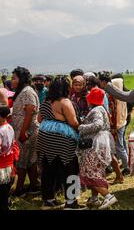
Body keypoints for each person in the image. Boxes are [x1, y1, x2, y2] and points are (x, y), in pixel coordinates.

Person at [36, 76, 83, 210]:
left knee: (48, 170)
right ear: (65, 88)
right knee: (71, 169)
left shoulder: (45, 101)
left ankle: (48, 200)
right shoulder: (65, 102)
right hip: (63, 141)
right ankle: (71, 202)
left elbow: (40, 119)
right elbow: (73, 123)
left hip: (45, 139)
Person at [78, 87, 118, 210]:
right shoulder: (101, 109)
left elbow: (98, 124)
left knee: (89, 171)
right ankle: (94, 198)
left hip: (94, 144)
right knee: (96, 170)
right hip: (101, 141)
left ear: (92, 100)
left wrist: (81, 127)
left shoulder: (95, 110)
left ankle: (108, 196)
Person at [10, 67, 41, 197]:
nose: (12, 81)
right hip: (24, 131)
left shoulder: (27, 92)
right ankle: (34, 186)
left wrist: (23, 132)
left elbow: (30, 111)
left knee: (22, 161)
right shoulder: (23, 91)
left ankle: (19, 189)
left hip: (27, 132)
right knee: (29, 161)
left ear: (21, 79)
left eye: (14, 78)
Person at [0, 106, 19, 211]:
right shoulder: (9, 127)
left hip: (1, 166)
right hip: (8, 164)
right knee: (5, 189)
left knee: (2, 190)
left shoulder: (1, 131)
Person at [111, 77, 130, 176]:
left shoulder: (117, 98)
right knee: (122, 145)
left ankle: (126, 167)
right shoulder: (123, 95)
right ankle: (126, 165)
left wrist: (115, 127)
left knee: (119, 147)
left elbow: (117, 114)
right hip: (123, 122)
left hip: (118, 124)